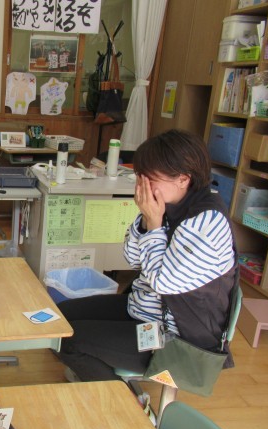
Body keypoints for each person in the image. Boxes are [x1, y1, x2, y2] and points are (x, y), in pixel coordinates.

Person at [58, 129, 238, 382]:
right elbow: (133, 259)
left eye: (150, 179)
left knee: (70, 342)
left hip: (175, 337)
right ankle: (94, 369)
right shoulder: (167, 205)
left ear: (183, 179)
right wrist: (146, 219)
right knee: (57, 320)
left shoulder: (207, 222)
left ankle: (123, 401)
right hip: (144, 309)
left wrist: (154, 224)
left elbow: (163, 283)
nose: (142, 187)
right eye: (140, 177)